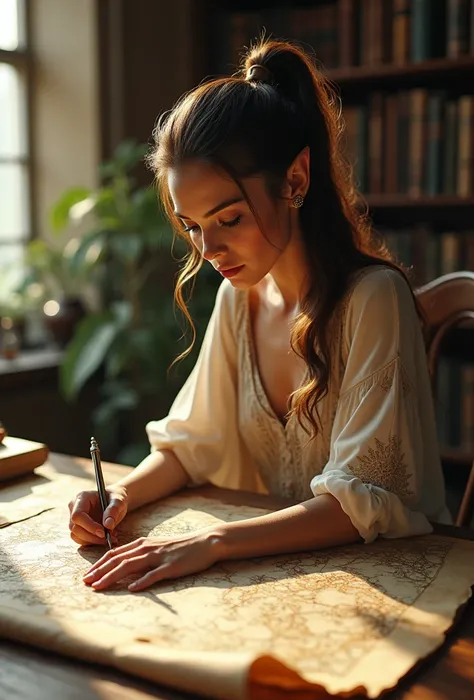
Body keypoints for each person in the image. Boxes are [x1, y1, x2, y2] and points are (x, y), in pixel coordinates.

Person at [70, 39, 450, 593]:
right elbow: (190, 446)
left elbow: (360, 505)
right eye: (193, 225)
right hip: (289, 579)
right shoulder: (238, 298)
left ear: (295, 180)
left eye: (229, 218)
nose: (209, 249)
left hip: (392, 585)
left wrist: (211, 543)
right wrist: (122, 496)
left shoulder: (374, 299)